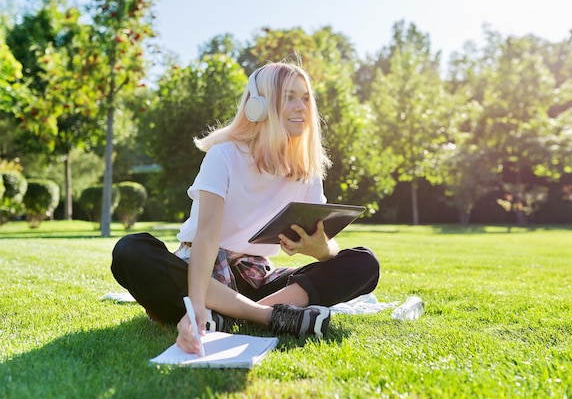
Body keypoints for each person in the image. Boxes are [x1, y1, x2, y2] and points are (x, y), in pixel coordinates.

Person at [111, 61, 380, 355]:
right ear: (259, 106)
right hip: (200, 276)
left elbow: (326, 243)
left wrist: (321, 250)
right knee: (130, 251)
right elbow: (207, 236)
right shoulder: (224, 155)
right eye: (289, 97)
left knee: (364, 263)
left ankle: (230, 315)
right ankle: (265, 316)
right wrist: (198, 303)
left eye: (305, 98)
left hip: (257, 279)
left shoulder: (306, 170)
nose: (301, 107)